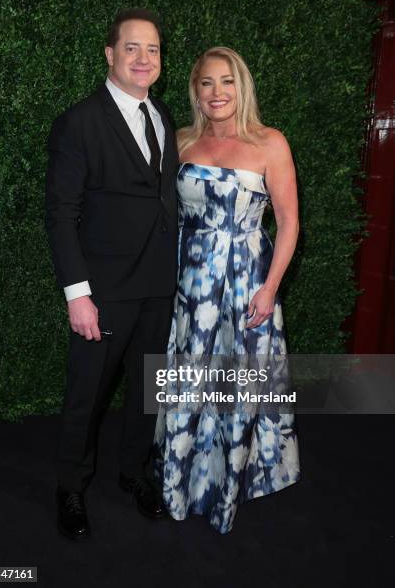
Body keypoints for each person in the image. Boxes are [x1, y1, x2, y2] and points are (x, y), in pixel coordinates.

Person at [153, 46, 300, 534]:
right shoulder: (180, 143)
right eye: (207, 83)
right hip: (190, 286)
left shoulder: (269, 143)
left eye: (227, 82)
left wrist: (270, 287)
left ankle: (228, 488)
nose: (217, 93)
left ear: (242, 86)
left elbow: (290, 222)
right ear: (195, 92)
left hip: (247, 283)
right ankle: (180, 482)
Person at [45, 8, 178, 540]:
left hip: (160, 286)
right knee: (88, 393)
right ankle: (70, 487)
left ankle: (134, 472)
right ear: (110, 54)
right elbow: (61, 212)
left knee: (149, 388)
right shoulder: (79, 121)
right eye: (132, 48)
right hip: (103, 292)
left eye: (153, 50)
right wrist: (78, 295)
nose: (144, 59)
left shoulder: (164, 115)